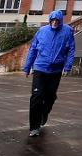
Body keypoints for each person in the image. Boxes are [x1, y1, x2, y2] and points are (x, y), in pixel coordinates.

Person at [22, 9, 75, 137]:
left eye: (57, 20)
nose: (55, 22)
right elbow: (33, 49)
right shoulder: (42, 31)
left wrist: (67, 67)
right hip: (40, 68)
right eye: (53, 20)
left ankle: (44, 112)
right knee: (36, 97)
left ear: (61, 21)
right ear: (50, 20)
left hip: (56, 70)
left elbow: (71, 50)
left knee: (50, 95)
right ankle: (34, 127)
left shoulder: (67, 31)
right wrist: (27, 67)